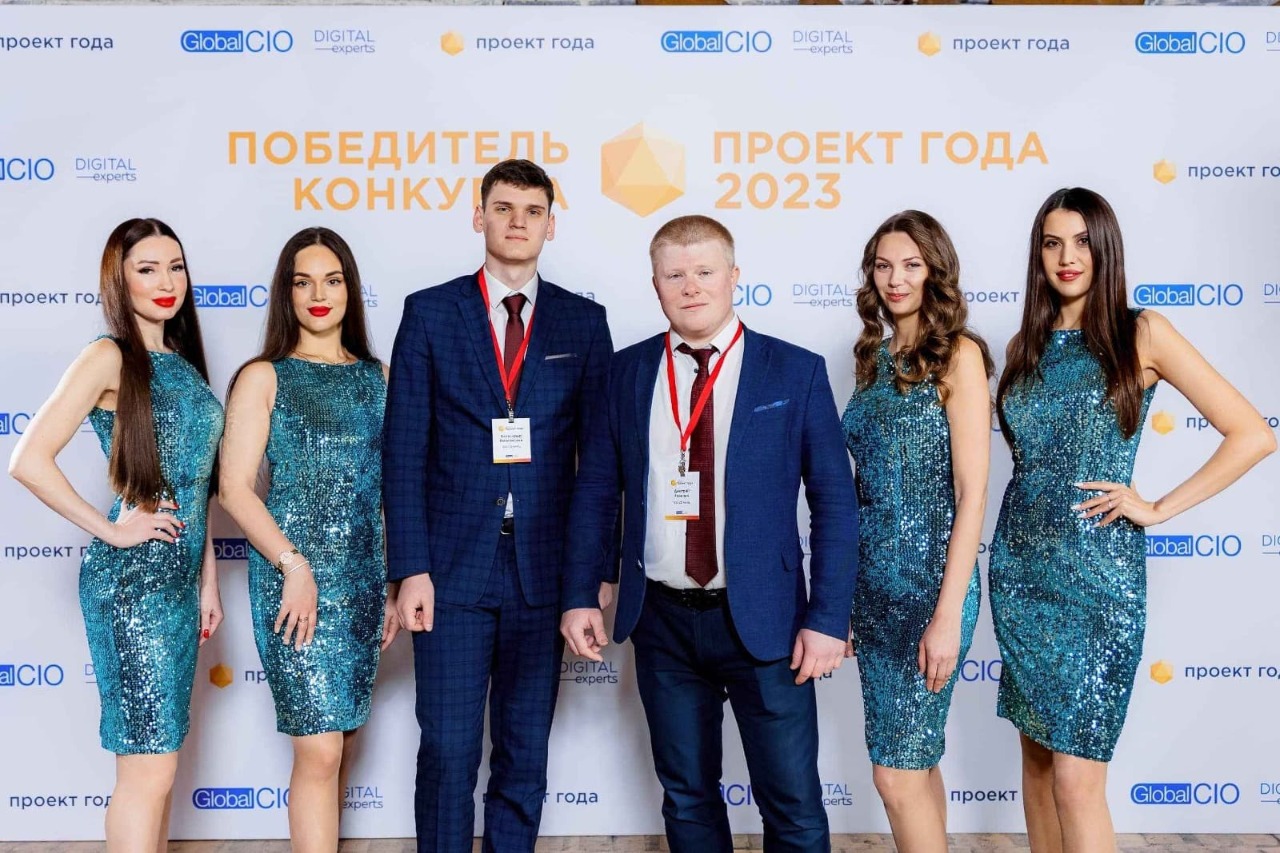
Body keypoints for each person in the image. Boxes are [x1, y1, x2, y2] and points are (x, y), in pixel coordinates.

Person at [561, 214, 857, 853]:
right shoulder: (624, 373)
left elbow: (835, 502)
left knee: (793, 804)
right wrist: (581, 592)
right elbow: (596, 490)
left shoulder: (794, 371)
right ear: (656, 285)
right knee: (687, 798)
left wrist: (829, 618)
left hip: (768, 622)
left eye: (704, 271)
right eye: (675, 274)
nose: (690, 286)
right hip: (661, 621)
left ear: (734, 277)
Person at [991, 187, 1275, 853]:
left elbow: (1252, 434)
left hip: (1098, 581)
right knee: (1037, 765)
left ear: (1105, 248)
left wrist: (1157, 507)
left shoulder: (1140, 331)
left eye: (1082, 242)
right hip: (1020, 575)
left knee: (1076, 780)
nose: (1067, 257)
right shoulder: (1023, 345)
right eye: (1052, 243)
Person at [384, 159, 613, 853]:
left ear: (551, 224)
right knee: (448, 748)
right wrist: (410, 568)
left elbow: (600, 466)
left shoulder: (583, 321)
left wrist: (592, 575)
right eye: (504, 207)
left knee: (523, 751)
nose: (518, 222)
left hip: (544, 573)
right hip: (450, 572)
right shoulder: (430, 312)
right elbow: (403, 451)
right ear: (478, 215)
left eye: (533, 210)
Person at [8, 218, 224, 852]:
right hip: (131, 587)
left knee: (161, 765)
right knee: (146, 769)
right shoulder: (108, 356)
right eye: (147, 269)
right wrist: (112, 530)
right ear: (118, 280)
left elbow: (197, 488)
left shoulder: (183, 363)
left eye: (175, 267)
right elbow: (28, 460)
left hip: (179, 582)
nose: (166, 281)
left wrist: (207, 580)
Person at [218, 227, 398, 852]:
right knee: (318, 748)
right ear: (286, 294)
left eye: (332, 280)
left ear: (350, 289)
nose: (318, 295)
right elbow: (234, 488)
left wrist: (393, 583)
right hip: (293, 579)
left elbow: (390, 491)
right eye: (302, 282)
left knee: (341, 740)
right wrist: (294, 566)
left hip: (362, 579)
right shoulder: (263, 376)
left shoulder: (379, 376)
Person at [842, 210, 993, 853]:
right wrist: (844, 600)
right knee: (916, 763)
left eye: (911, 265)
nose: (895, 279)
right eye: (883, 265)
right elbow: (861, 493)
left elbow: (972, 493)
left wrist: (947, 615)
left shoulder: (959, 356)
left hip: (932, 589)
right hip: (873, 592)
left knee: (895, 775)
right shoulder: (872, 359)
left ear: (936, 271)